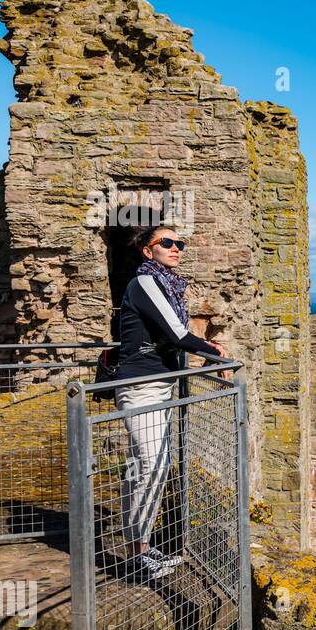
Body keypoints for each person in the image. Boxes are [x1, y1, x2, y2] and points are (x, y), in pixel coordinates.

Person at [113, 224, 225, 580]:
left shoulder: (169, 285)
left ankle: (141, 548)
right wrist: (214, 350)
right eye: (167, 243)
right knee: (149, 464)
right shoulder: (144, 282)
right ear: (148, 251)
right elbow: (175, 334)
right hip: (140, 385)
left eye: (180, 243)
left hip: (160, 384)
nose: (176, 248)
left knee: (153, 467)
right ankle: (135, 555)